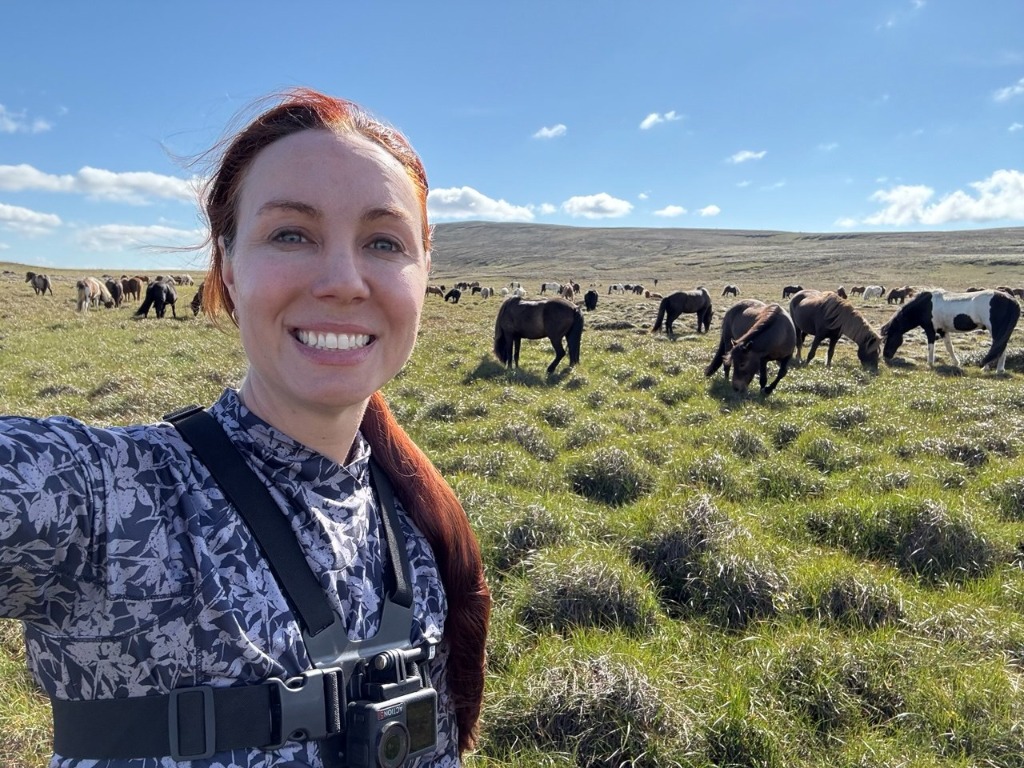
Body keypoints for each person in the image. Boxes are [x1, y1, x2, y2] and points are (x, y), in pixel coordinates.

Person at [0, 88, 491, 767]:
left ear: (425, 273)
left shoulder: (420, 529)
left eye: (383, 242)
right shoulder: (111, 496)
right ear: (227, 267)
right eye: (292, 234)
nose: (344, 281)